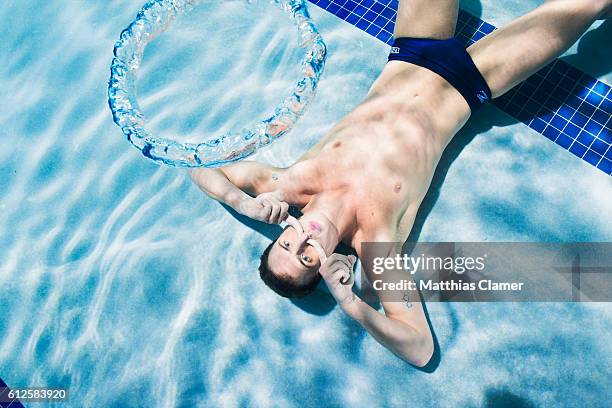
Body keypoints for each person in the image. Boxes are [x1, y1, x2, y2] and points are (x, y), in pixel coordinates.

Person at [191, 0, 611, 366]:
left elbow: (197, 166)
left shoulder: (286, 184)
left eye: (286, 244)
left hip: (412, 47)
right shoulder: (375, 244)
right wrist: (354, 305)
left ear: (282, 232)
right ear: (323, 267)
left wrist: (239, 201)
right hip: (473, 82)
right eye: (306, 260)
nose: (302, 244)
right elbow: (421, 349)